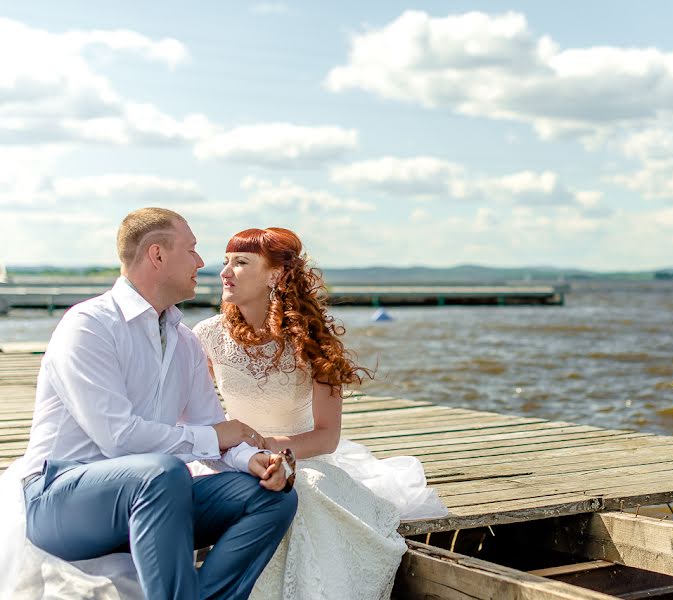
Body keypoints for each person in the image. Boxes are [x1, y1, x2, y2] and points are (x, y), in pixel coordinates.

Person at [0, 208, 298, 600]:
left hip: (153, 494)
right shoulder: (88, 325)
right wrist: (213, 435)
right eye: (191, 250)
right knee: (162, 472)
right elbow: (118, 439)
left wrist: (251, 460)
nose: (202, 262)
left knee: (272, 497)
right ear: (157, 255)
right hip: (60, 499)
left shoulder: (185, 341)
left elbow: (211, 426)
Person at [192, 227, 448, 600]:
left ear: (275, 275)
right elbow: (195, 410)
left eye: (241, 262)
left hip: (300, 456)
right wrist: (237, 450)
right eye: (226, 262)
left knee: (303, 499)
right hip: (231, 456)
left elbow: (326, 436)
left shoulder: (312, 341)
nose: (225, 272)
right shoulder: (207, 335)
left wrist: (269, 448)